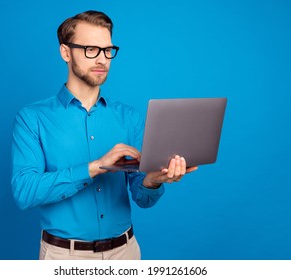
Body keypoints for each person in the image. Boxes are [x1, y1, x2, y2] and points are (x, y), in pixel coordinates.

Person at [11, 10, 197, 260]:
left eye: (107, 50)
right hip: (64, 258)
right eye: (91, 49)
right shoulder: (32, 118)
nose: (102, 59)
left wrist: (153, 180)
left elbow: (143, 198)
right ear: (66, 52)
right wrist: (96, 166)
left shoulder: (129, 118)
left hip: (125, 253)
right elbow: (25, 192)